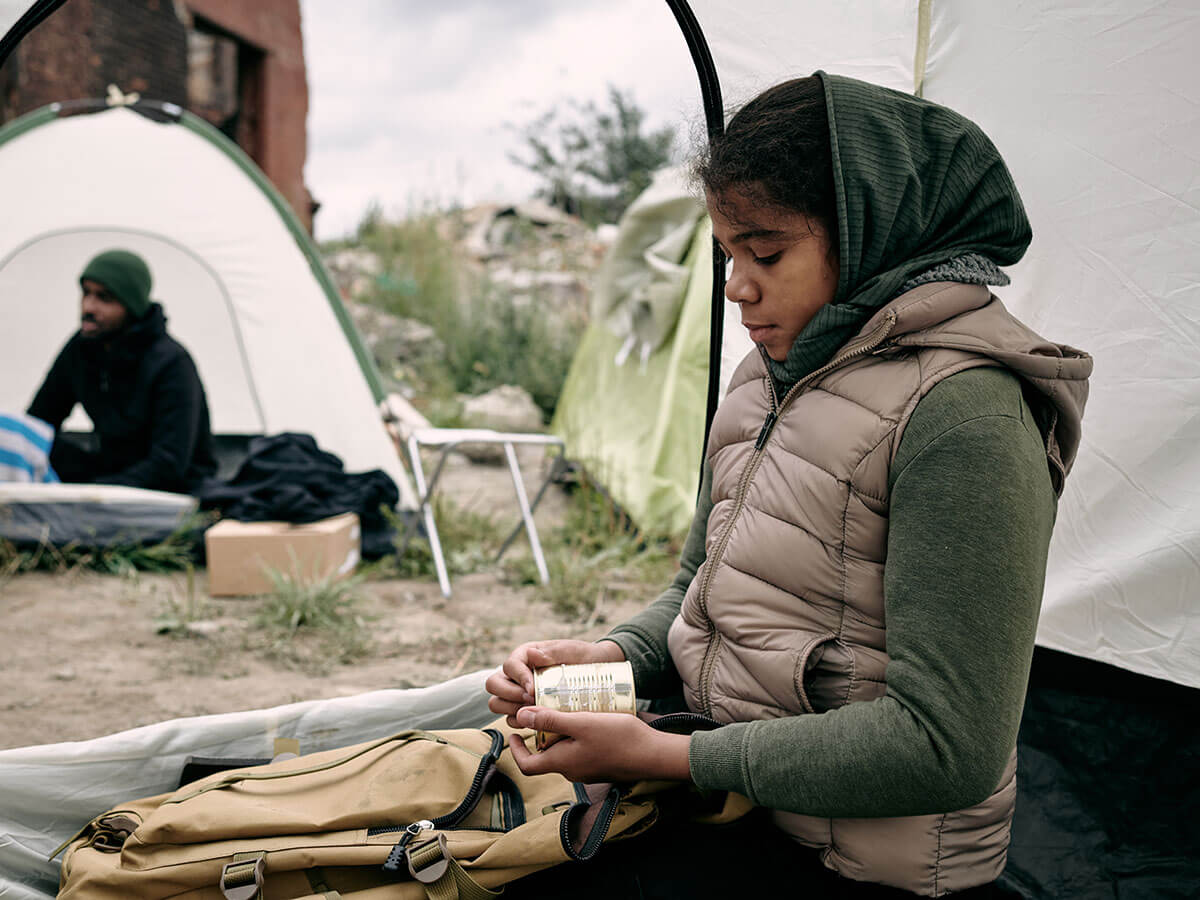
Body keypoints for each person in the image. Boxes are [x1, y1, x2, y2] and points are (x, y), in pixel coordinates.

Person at [487, 72, 1092, 897]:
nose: (737, 287)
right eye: (729, 255)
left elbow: (947, 745)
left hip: (867, 868)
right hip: (729, 802)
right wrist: (603, 662)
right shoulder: (767, 373)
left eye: (766, 253)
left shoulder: (965, 417)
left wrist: (669, 755)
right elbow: (699, 593)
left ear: (873, 233)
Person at [27, 249, 217, 493]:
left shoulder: (171, 363)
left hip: (171, 488)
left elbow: (169, 464)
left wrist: (94, 492)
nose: (89, 307)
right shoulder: (81, 349)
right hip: (109, 472)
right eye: (86, 294)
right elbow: (39, 422)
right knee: (24, 439)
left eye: (104, 298)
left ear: (131, 305)